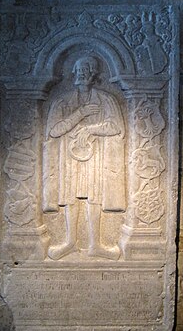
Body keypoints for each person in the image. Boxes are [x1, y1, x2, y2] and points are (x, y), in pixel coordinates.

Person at [43, 56, 125, 260]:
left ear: (94, 74)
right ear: (73, 73)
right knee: (70, 196)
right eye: (79, 68)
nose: (82, 72)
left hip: (95, 156)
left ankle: (95, 245)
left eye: (87, 69)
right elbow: (53, 130)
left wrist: (91, 129)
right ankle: (70, 242)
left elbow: (117, 126)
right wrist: (80, 114)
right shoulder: (62, 101)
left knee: (94, 196)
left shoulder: (106, 99)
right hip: (69, 158)